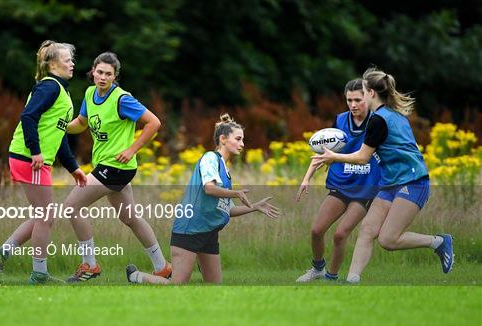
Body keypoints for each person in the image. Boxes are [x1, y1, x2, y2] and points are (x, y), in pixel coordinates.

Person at [311, 67, 454, 283]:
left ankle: (438, 242)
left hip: (413, 182)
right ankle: (351, 281)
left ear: (370, 93)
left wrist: (333, 156)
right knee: (367, 230)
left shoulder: (378, 120)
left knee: (387, 240)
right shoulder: (393, 115)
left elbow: (362, 158)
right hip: (390, 183)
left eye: (363, 91)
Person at [125, 114, 280, 284]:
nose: (242, 144)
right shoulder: (210, 159)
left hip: (209, 232)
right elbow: (209, 188)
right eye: (238, 139)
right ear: (223, 139)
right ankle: (136, 276)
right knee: (177, 285)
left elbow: (227, 209)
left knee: (214, 288)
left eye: (243, 140)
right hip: (190, 229)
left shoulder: (225, 170)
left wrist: (255, 207)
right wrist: (235, 193)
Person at [63, 52, 171, 282]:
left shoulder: (122, 99)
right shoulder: (90, 93)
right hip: (108, 166)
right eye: (99, 72)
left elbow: (154, 123)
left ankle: (90, 265)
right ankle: (162, 267)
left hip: (116, 167)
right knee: (130, 218)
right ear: (93, 72)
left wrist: (132, 149)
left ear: (115, 77)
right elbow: (81, 123)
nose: (102, 77)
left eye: (108, 74)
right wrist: (59, 126)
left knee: (71, 207)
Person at [0, 40, 87, 284]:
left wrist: (73, 168)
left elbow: (59, 136)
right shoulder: (49, 87)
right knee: (46, 216)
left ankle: (2, 254)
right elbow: (28, 117)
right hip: (29, 158)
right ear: (53, 64)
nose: (72, 63)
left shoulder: (61, 91)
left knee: (42, 216)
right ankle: (39, 273)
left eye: (72, 60)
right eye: (67, 60)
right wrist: (35, 151)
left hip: (31, 158)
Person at [294, 79, 380, 282]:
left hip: (365, 188)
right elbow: (324, 152)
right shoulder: (340, 121)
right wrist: (306, 179)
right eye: (349, 100)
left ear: (368, 97)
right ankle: (318, 269)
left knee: (340, 234)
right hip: (341, 185)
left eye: (357, 99)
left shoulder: (378, 122)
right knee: (316, 230)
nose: (353, 104)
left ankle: (331, 278)